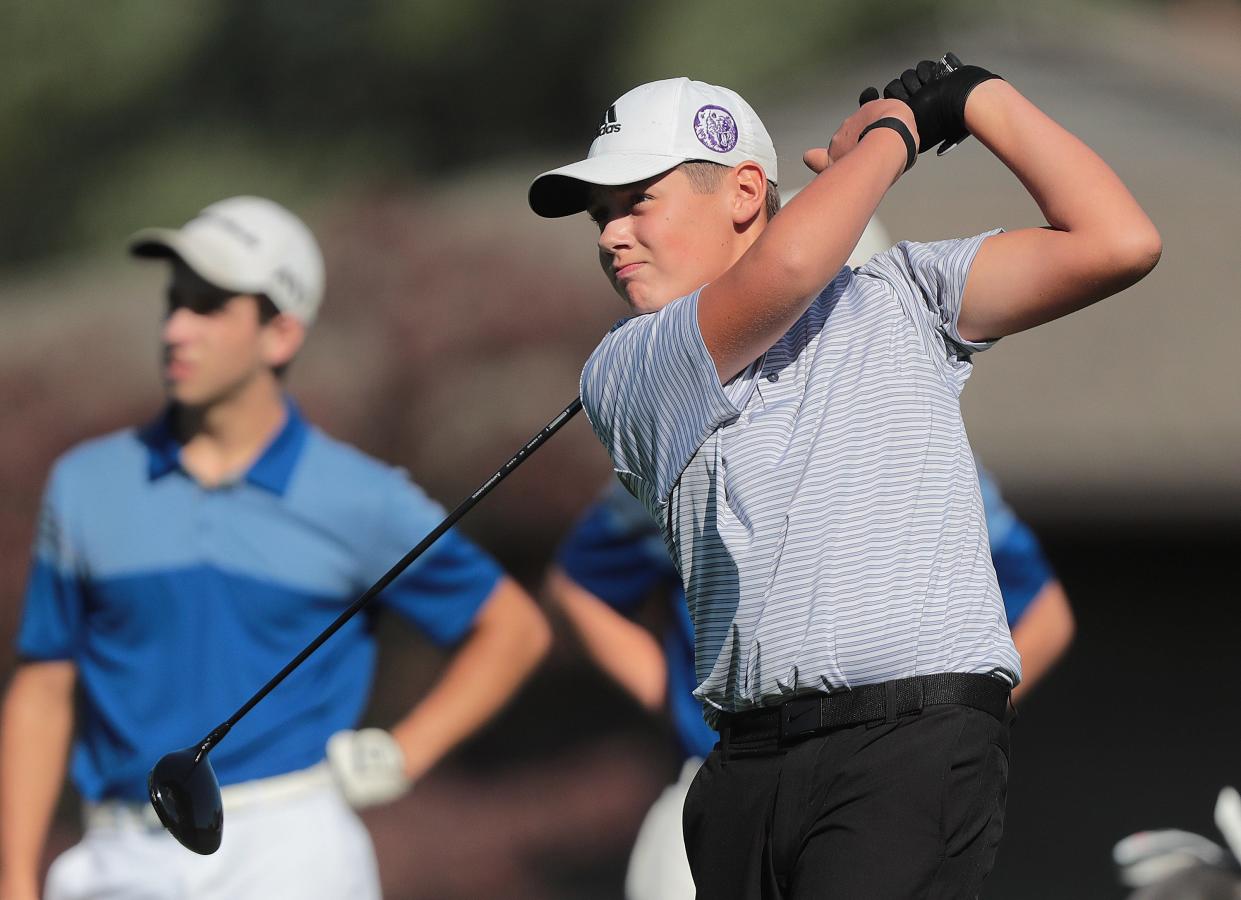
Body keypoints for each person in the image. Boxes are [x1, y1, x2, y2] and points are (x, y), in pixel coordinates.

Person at [528, 57, 1159, 898]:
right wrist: (897, 131)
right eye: (600, 216)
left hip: (909, 747)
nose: (609, 236)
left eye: (637, 203)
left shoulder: (906, 292)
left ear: (745, 192)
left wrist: (973, 97)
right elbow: (784, 272)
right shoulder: (627, 365)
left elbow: (1117, 241)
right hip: (743, 770)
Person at [0, 196, 552, 900]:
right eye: (174, 302)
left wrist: (405, 751)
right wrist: (16, 877)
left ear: (280, 334)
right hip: (115, 853)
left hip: (288, 848)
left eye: (209, 307)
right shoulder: (86, 484)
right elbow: (43, 688)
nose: (175, 328)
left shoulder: (359, 497)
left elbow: (512, 629)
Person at [547, 463, 1072, 900]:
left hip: (889, 778)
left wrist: (939, 720)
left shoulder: (924, 449)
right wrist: (676, 694)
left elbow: (1045, 616)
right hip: (725, 774)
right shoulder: (689, 450)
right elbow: (578, 586)